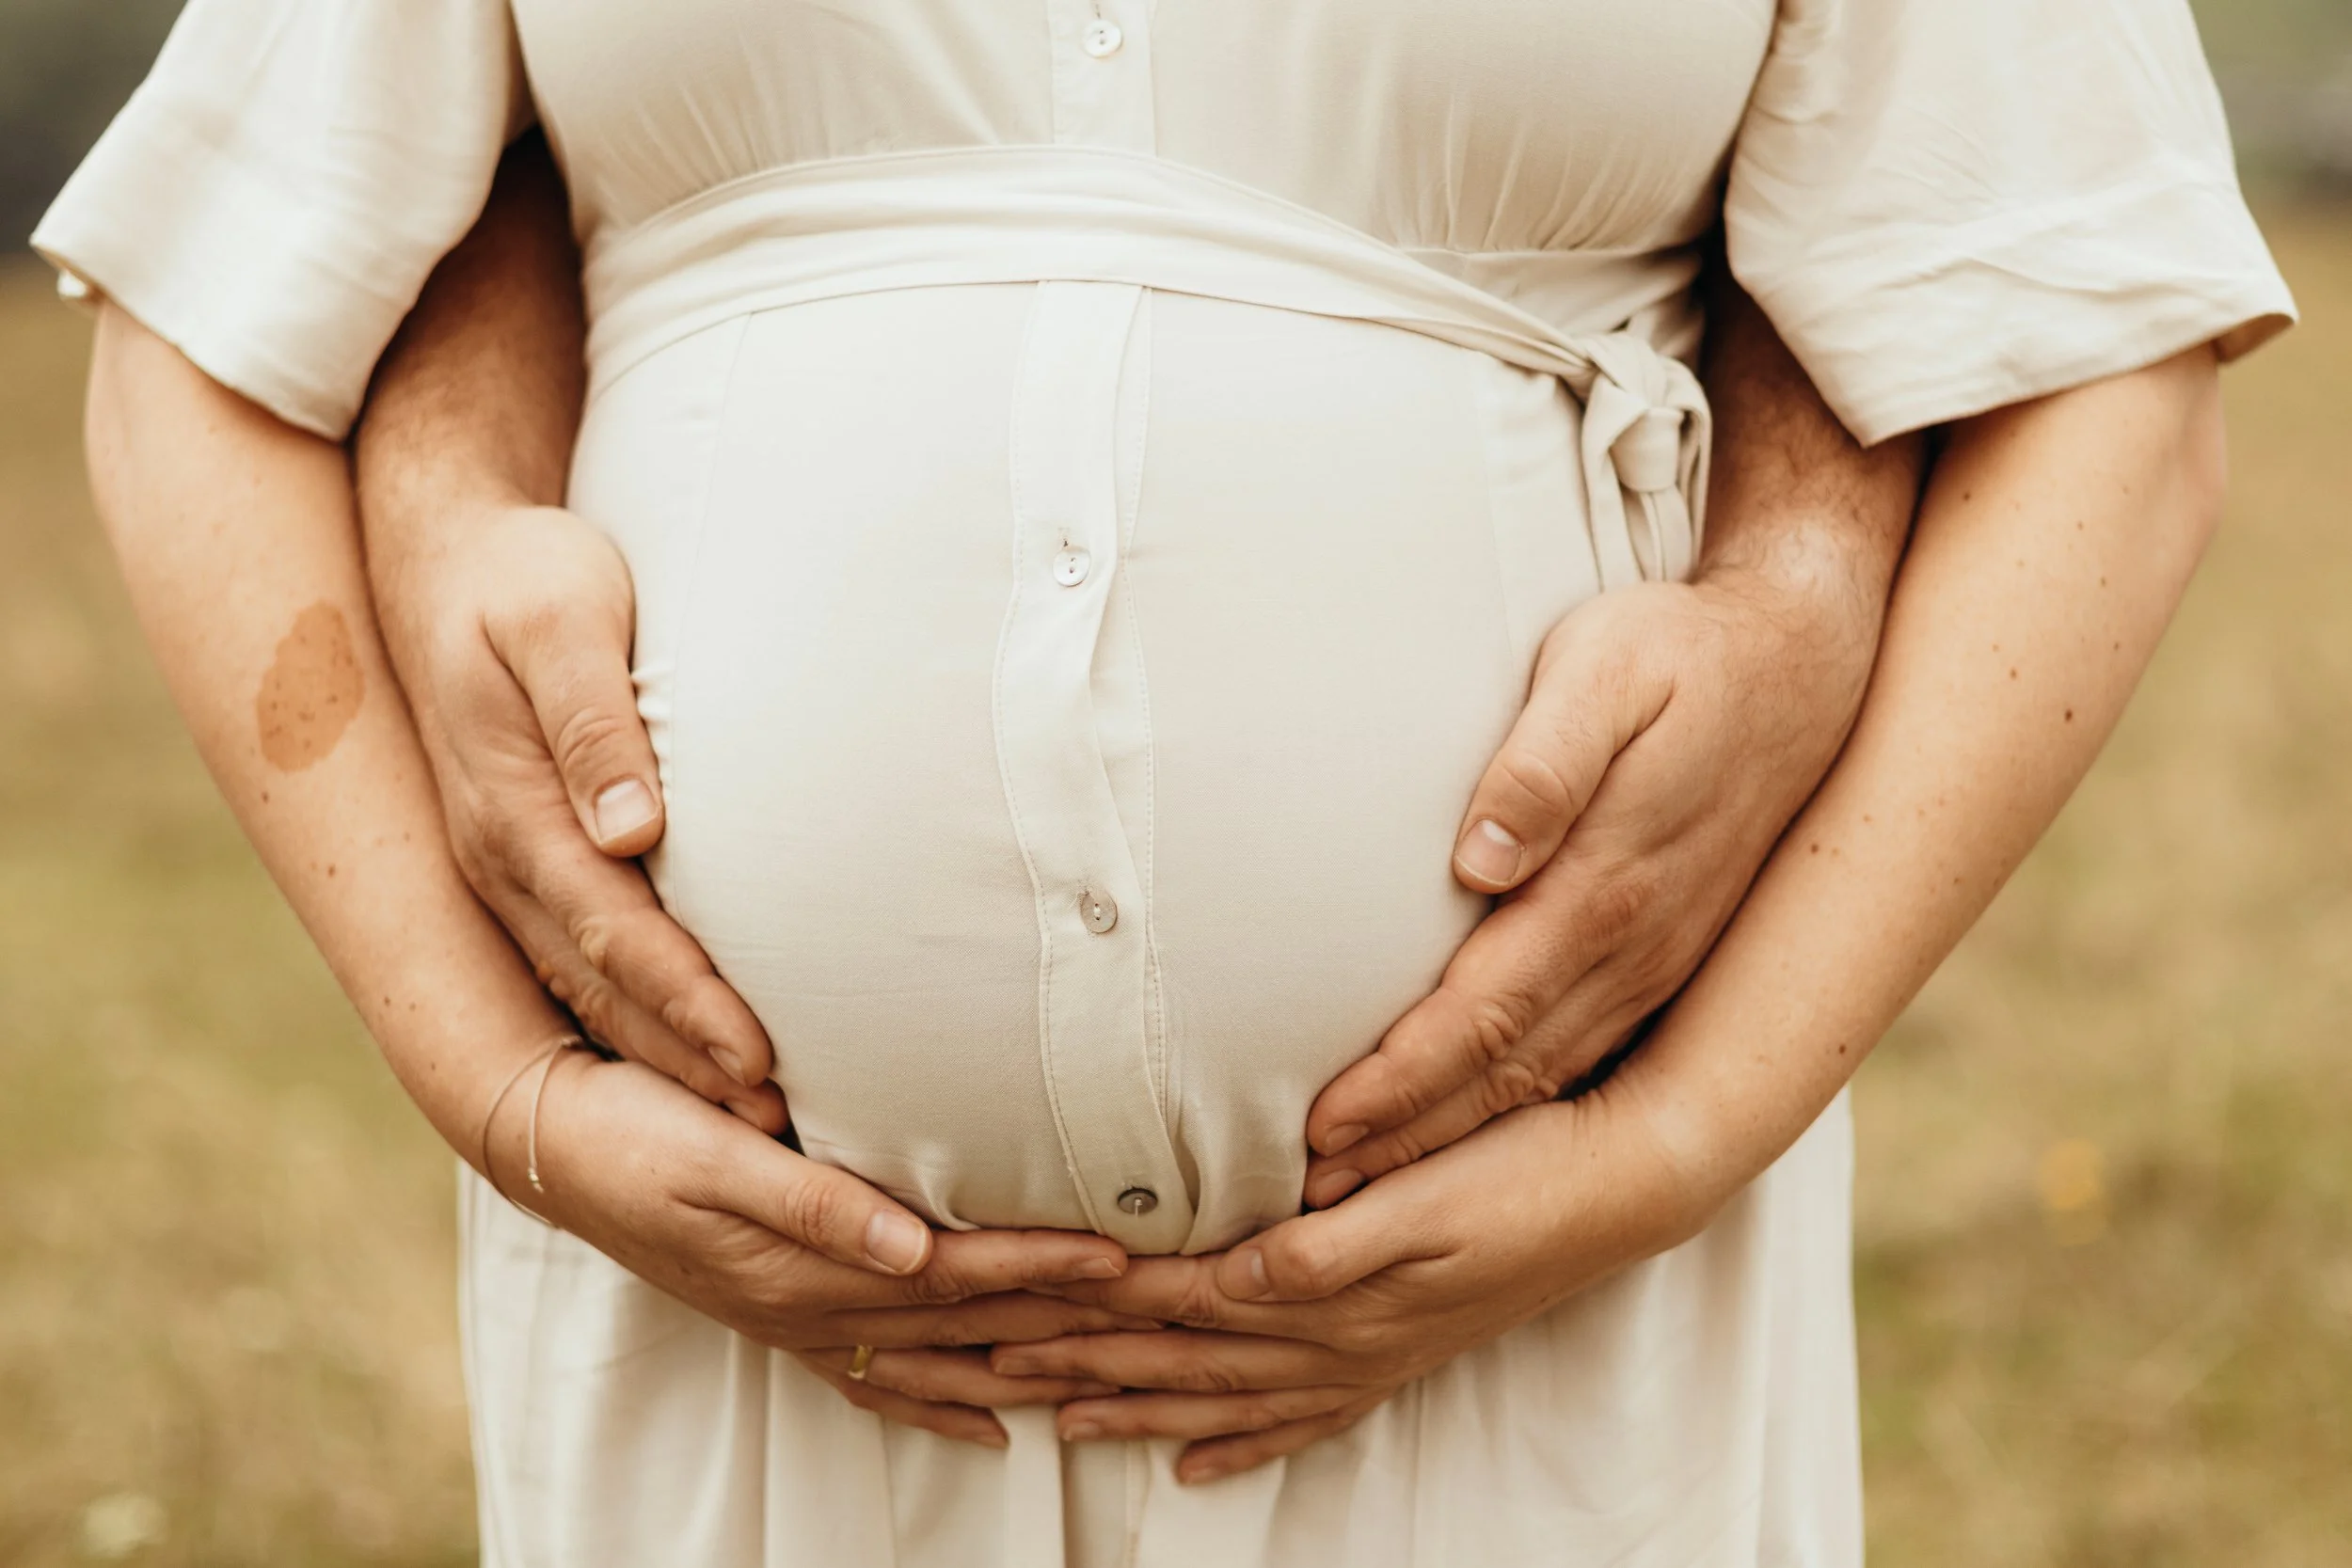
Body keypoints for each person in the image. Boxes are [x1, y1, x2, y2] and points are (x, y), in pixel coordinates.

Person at [35, 1, 2291, 1564]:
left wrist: (1680, 1128)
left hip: (1522, 1315)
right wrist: (496, 1079)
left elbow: (2092, 360)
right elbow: (216, 320)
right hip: (747, 1353)